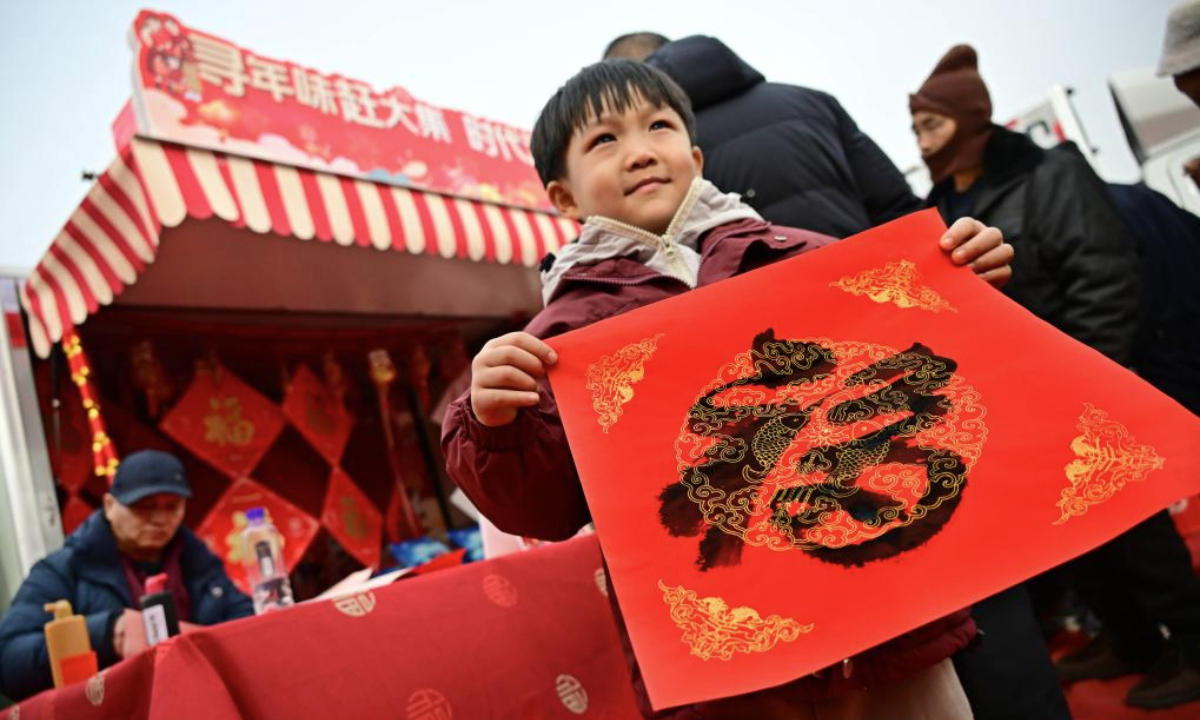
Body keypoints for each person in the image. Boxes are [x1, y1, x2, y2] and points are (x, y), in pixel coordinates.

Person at [443, 58, 1013, 719]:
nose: (638, 152)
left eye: (657, 126)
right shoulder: (559, 337)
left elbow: (921, 381)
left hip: (884, 615)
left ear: (695, 153)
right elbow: (543, 507)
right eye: (604, 140)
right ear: (564, 198)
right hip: (734, 660)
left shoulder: (806, 258)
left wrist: (960, 283)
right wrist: (494, 424)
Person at [912, 43, 1200, 712]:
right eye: (916, 129)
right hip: (1016, 397)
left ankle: (1192, 644)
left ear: (969, 117)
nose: (923, 141)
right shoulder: (944, 200)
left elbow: (1102, 272)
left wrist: (1089, 376)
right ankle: (1130, 642)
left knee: (1137, 528)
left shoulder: (1048, 174)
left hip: (1079, 381)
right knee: (1074, 539)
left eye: (932, 125)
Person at [602, 33, 923, 238]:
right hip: (870, 292)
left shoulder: (668, 147)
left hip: (764, 330)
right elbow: (897, 206)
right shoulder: (811, 101)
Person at [0, 450, 253, 700]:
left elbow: (247, 628)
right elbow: (8, 660)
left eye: (172, 507)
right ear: (109, 506)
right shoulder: (64, 570)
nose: (159, 519)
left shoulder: (198, 563)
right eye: (144, 507)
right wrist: (108, 632)